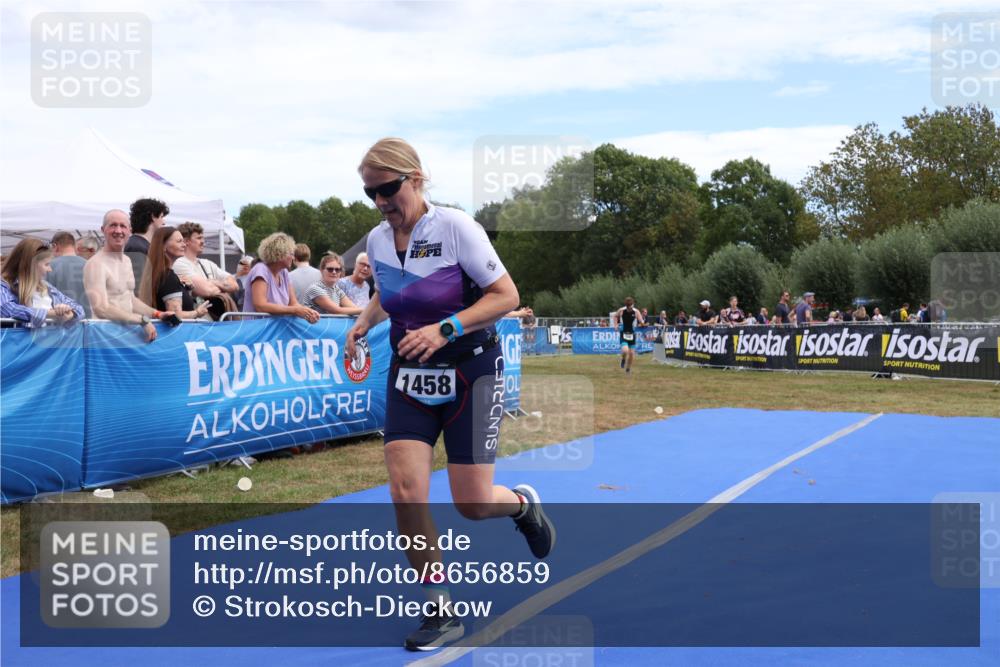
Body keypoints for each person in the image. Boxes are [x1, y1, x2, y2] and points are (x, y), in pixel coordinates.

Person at [345, 138, 553, 651]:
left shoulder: (457, 227)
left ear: (415, 178)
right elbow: (390, 295)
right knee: (406, 491)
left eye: (388, 189)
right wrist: (363, 322)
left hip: (470, 372)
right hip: (409, 377)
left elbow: (507, 296)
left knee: (472, 503)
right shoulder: (375, 240)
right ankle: (440, 609)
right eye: (370, 193)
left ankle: (522, 505)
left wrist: (446, 328)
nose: (380, 202)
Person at [84, 210, 171, 343]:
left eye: (123, 226)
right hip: (105, 339)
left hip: (127, 337)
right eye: (113, 225)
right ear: (103, 229)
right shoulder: (96, 264)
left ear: (130, 230)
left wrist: (157, 314)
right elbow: (101, 308)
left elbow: (129, 298)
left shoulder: (127, 261)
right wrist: (141, 320)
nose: (118, 230)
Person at [1, 238, 84, 327]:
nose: (50, 269)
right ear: (30, 265)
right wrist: (51, 313)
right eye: (46, 264)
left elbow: (79, 309)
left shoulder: (47, 287)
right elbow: (7, 309)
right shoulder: (4, 285)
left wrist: (69, 312)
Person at [244, 232, 319, 323]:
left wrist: (308, 313)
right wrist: (294, 310)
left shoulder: (284, 273)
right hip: (257, 329)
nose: (293, 257)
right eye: (291, 254)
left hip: (276, 330)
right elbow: (260, 305)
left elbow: (293, 303)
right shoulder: (260, 270)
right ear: (279, 254)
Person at [139, 227, 211, 320]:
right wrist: (197, 312)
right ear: (164, 246)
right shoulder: (167, 276)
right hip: (175, 333)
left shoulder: (158, 274)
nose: (184, 245)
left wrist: (187, 290)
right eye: (179, 241)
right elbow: (175, 315)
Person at [173, 222, 240, 319]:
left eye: (203, 238)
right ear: (186, 241)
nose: (203, 241)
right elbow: (206, 290)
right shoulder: (178, 263)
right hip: (196, 324)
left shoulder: (207, 263)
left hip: (214, 322)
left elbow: (235, 285)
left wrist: (212, 282)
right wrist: (221, 287)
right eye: (199, 238)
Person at [125, 198, 170, 294]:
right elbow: (139, 287)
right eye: (161, 216)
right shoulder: (136, 247)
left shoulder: (141, 245)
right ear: (153, 216)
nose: (164, 222)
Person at [48, 231, 92, 317]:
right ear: (74, 246)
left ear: (55, 246)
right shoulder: (91, 266)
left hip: (60, 323)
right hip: (88, 323)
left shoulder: (47, 267)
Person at [612, 296, 644, 374]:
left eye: (631, 306)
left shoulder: (636, 311)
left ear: (633, 305)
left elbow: (641, 321)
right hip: (623, 333)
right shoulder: (621, 310)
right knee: (625, 350)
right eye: (628, 307)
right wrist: (615, 325)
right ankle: (623, 359)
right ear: (626, 306)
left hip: (632, 334)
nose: (629, 308)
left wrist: (642, 323)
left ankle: (628, 369)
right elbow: (615, 316)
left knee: (632, 354)